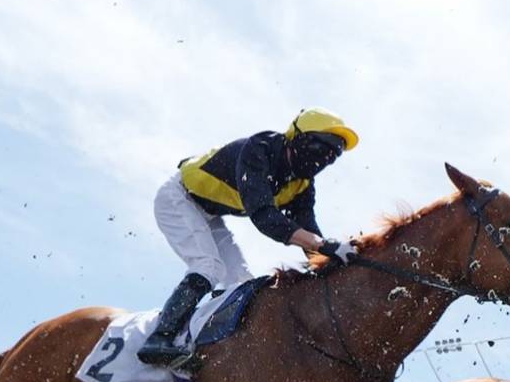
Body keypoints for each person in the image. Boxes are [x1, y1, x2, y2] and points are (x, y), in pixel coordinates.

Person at [137, 108, 361, 368]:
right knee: (208, 267)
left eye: (332, 157)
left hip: (209, 213)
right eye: (321, 150)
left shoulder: (302, 185)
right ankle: (159, 339)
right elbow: (265, 216)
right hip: (179, 198)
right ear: (298, 138)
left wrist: (334, 262)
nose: (323, 160)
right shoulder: (261, 148)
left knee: (239, 283)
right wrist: (323, 246)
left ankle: (206, 347)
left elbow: (308, 229)